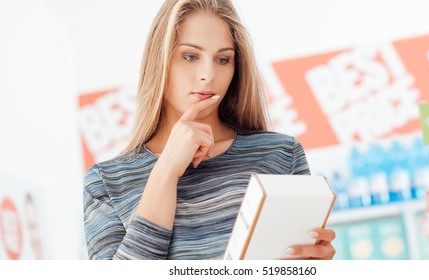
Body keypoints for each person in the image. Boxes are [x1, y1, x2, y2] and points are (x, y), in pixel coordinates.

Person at [83, 0, 336, 260]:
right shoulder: (106, 182)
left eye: (223, 59)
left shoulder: (282, 154)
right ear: (159, 60)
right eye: (190, 56)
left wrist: (314, 267)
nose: (208, 74)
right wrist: (165, 172)